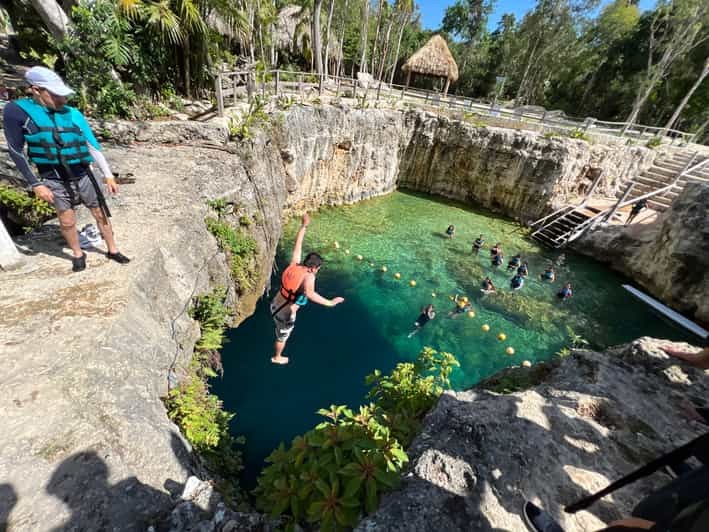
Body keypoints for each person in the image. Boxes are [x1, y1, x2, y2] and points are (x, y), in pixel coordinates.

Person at [2, 66, 130, 272]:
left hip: (83, 172)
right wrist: (35, 184)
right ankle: (78, 254)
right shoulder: (17, 112)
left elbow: (91, 146)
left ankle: (112, 249)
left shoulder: (72, 113)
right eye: (55, 94)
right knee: (67, 219)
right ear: (36, 90)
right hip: (52, 176)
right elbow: (16, 151)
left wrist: (108, 175)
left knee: (99, 212)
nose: (62, 100)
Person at [269, 213, 344, 364]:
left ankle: (290, 312)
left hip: (274, 305)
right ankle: (277, 357)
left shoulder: (294, 264)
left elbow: (298, 245)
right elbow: (310, 294)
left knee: (297, 299)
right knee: (282, 337)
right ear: (315, 267)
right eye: (319, 268)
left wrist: (304, 226)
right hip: (283, 315)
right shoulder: (309, 277)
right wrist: (330, 302)